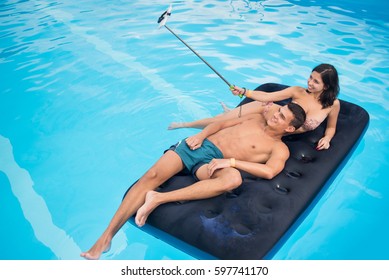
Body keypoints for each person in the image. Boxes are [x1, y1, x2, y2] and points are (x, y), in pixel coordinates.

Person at [80, 102, 306, 260]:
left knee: (233, 179)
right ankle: (105, 238)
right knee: (150, 177)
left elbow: (268, 172)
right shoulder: (256, 117)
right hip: (198, 145)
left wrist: (233, 162)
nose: (276, 114)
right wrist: (201, 135)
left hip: (215, 162)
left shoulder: (279, 148)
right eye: (279, 110)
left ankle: (158, 198)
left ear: (289, 128)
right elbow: (220, 123)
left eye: (282, 116)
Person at [168, 63, 340, 150]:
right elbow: (267, 97)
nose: (309, 82)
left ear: (326, 86)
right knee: (218, 120)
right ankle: (184, 125)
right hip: (266, 111)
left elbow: (331, 127)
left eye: (315, 81)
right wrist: (244, 91)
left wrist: (327, 138)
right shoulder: (298, 91)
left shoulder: (332, 105)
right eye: (310, 77)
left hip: (280, 129)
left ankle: (232, 113)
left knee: (228, 119)